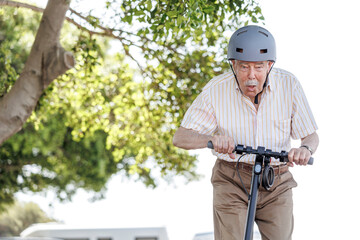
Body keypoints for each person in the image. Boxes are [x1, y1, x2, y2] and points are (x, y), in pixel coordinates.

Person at [173, 25, 319, 240]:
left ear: (270, 65)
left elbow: (310, 135)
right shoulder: (216, 89)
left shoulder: (289, 85)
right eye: (243, 67)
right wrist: (211, 139)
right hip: (231, 179)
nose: (251, 76)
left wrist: (305, 149)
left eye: (259, 67)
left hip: (276, 180)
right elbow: (181, 137)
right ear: (233, 64)